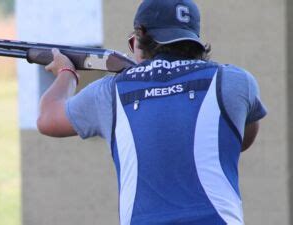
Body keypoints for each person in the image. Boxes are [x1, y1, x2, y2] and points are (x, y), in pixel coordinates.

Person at [37, 0, 267, 224]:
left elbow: (47, 119)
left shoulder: (110, 92)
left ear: (140, 35)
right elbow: (242, 139)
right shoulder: (235, 81)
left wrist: (66, 71)